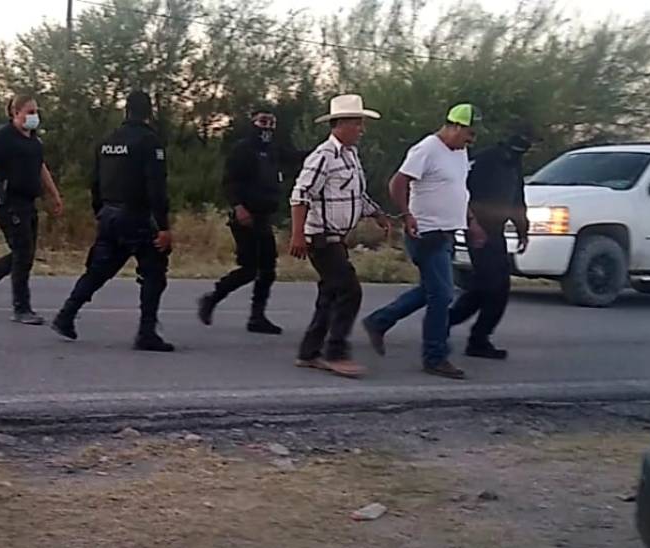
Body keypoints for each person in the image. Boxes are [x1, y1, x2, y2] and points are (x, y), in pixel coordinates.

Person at [362, 104, 485, 380]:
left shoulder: (459, 152)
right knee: (442, 294)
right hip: (427, 233)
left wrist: (472, 222)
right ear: (453, 126)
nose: (472, 140)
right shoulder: (427, 149)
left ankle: (378, 321)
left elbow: (458, 191)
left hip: (448, 231)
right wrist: (408, 216)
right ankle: (435, 356)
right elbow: (397, 182)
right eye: (469, 133)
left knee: (430, 289)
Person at [50, 90, 175, 352]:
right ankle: (146, 332)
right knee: (154, 272)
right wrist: (163, 226)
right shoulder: (149, 142)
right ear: (148, 112)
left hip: (109, 214)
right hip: (137, 216)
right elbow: (156, 188)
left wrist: (101, 211)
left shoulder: (107, 141)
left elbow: (94, 182)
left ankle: (66, 314)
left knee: (98, 270)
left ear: (126, 111)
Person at [288, 95, 392, 378]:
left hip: (337, 238)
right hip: (321, 238)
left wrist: (377, 213)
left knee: (330, 294)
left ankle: (309, 352)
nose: (361, 129)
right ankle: (336, 352)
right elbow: (300, 195)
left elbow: (355, 194)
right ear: (342, 124)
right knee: (349, 290)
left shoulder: (350, 155)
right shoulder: (323, 156)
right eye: (357, 123)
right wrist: (298, 235)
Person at [197, 105, 305, 334]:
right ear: (253, 122)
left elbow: (296, 158)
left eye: (271, 122)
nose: (267, 127)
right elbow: (230, 182)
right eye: (263, 121)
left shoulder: (274, 149)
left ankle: (257, 317)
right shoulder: (243, 149)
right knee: (249, 269)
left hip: (264, 216)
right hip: (245, 216)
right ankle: (212, 298)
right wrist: (238, 207)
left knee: (267, 269)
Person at [0, 93, 64, 324]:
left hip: (28, 202)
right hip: (8, 202)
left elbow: (41, 167)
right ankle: (21, 308)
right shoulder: (2, 137)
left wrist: (54, 194)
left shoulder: (34, 140)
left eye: (36, 112)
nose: (34, 116)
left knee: (24, 253)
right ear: (15, 113)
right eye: (30, 112)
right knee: (23, 252)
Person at [448, 129, 534, 359]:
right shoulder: (485, 160)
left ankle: (454, 327)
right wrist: (471, 223)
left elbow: (517, 199)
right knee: (492, 287)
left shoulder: (514, 164)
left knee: (489, 288)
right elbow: (462, 193)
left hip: (496, 233)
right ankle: (469, 335)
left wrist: (523, 229)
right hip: (478, 230)